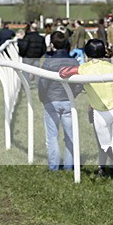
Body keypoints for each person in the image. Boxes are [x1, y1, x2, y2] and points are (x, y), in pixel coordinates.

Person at [59, 39, 113, 185]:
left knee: (105, 145)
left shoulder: (82, 69)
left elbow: (62, 73)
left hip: (101, 112)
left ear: (86, 53)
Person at [38, 31, 83, 171]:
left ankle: (54, 167)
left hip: (51, 101)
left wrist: (43, 98)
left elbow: (42, 84)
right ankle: (69, 166)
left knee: (52, 137)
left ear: (52, 44)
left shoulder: (48, 62)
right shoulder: (74, 61)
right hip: (68, 101)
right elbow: (80, 84)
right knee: (70, 137)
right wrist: (72, 96)